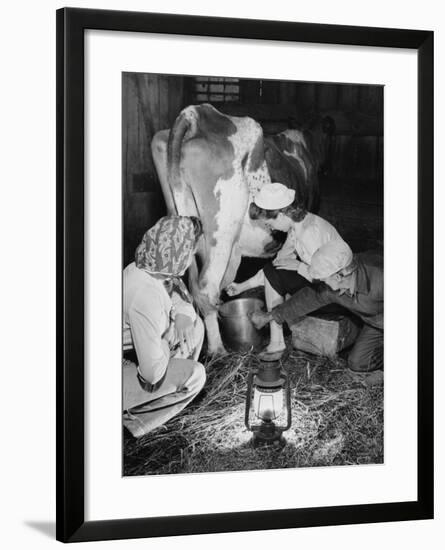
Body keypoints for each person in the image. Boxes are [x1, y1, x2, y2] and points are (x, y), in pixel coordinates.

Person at [225, 182, 351, 360]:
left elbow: (330, 280)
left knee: (278, 273)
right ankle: (277, 340)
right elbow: (277, 265)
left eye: (269, 223)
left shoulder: (310, 233)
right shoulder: (297, 227)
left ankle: (277, 342)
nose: (270, 228)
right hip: (323, 287)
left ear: (282, 214)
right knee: (274, 270)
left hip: (337, 295)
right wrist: (241, 287)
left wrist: (300, 267)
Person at [123, 215, 206, 438]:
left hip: (134, 352)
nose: (192, 257)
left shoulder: (149, 265)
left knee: (194, 329)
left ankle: (163, 402)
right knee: (196, 375)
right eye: (190, 252)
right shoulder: (145, 296)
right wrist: (165, 343)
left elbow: (176, 293)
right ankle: (136, 423)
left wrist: (182, 316)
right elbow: (151, 374)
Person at [250, 240, 384, 372]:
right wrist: (270, 316)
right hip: (375, 323)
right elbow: (307, 299)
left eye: (324, 279)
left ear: (338, 277)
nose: (322, 282)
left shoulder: (380, 280)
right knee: (358, 363)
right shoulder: (334, 287)